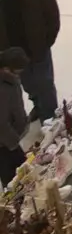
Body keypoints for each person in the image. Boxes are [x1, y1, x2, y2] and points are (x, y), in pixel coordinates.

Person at [0, 0, 60, 120]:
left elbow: (53, 19)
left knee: (45, 84)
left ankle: (50, 118)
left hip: (38, 50)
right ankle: (38, 107)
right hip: (13, 55)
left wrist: (46, 43)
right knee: (28, 85)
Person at [0, 47, 30, 186]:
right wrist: (13, 142)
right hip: (5, 144)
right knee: (12, 179)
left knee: (24, 171)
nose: (18, 76)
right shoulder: (3, 88)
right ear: (6, 68)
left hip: (11, 141)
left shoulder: (9, 79)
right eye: (17, 73)